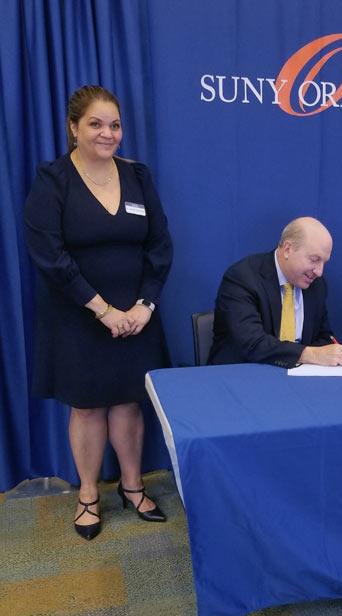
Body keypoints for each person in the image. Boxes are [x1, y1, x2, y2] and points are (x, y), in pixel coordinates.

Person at [24, 85, 173, 540]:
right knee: (87, 408)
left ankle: (132, 486)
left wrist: (144, 306)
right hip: (78, 314)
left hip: (136, 316)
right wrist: (103, 310)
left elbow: (160, 245)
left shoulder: (138, 176)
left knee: (129, 401)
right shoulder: (53, 180)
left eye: (114, 125)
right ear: (73, 128)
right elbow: (49, 254)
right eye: (96, 124)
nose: (108, 133)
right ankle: (88, 494)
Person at [208, 216, 342, 367]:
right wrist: (309, 354)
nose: (320, 272)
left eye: (324, 262)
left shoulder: (317, 285)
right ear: (288, 249)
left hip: (296, 378)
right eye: (315, 259)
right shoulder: (242, 278)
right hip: (241, 375)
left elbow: (324, 337)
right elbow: (252, 343)